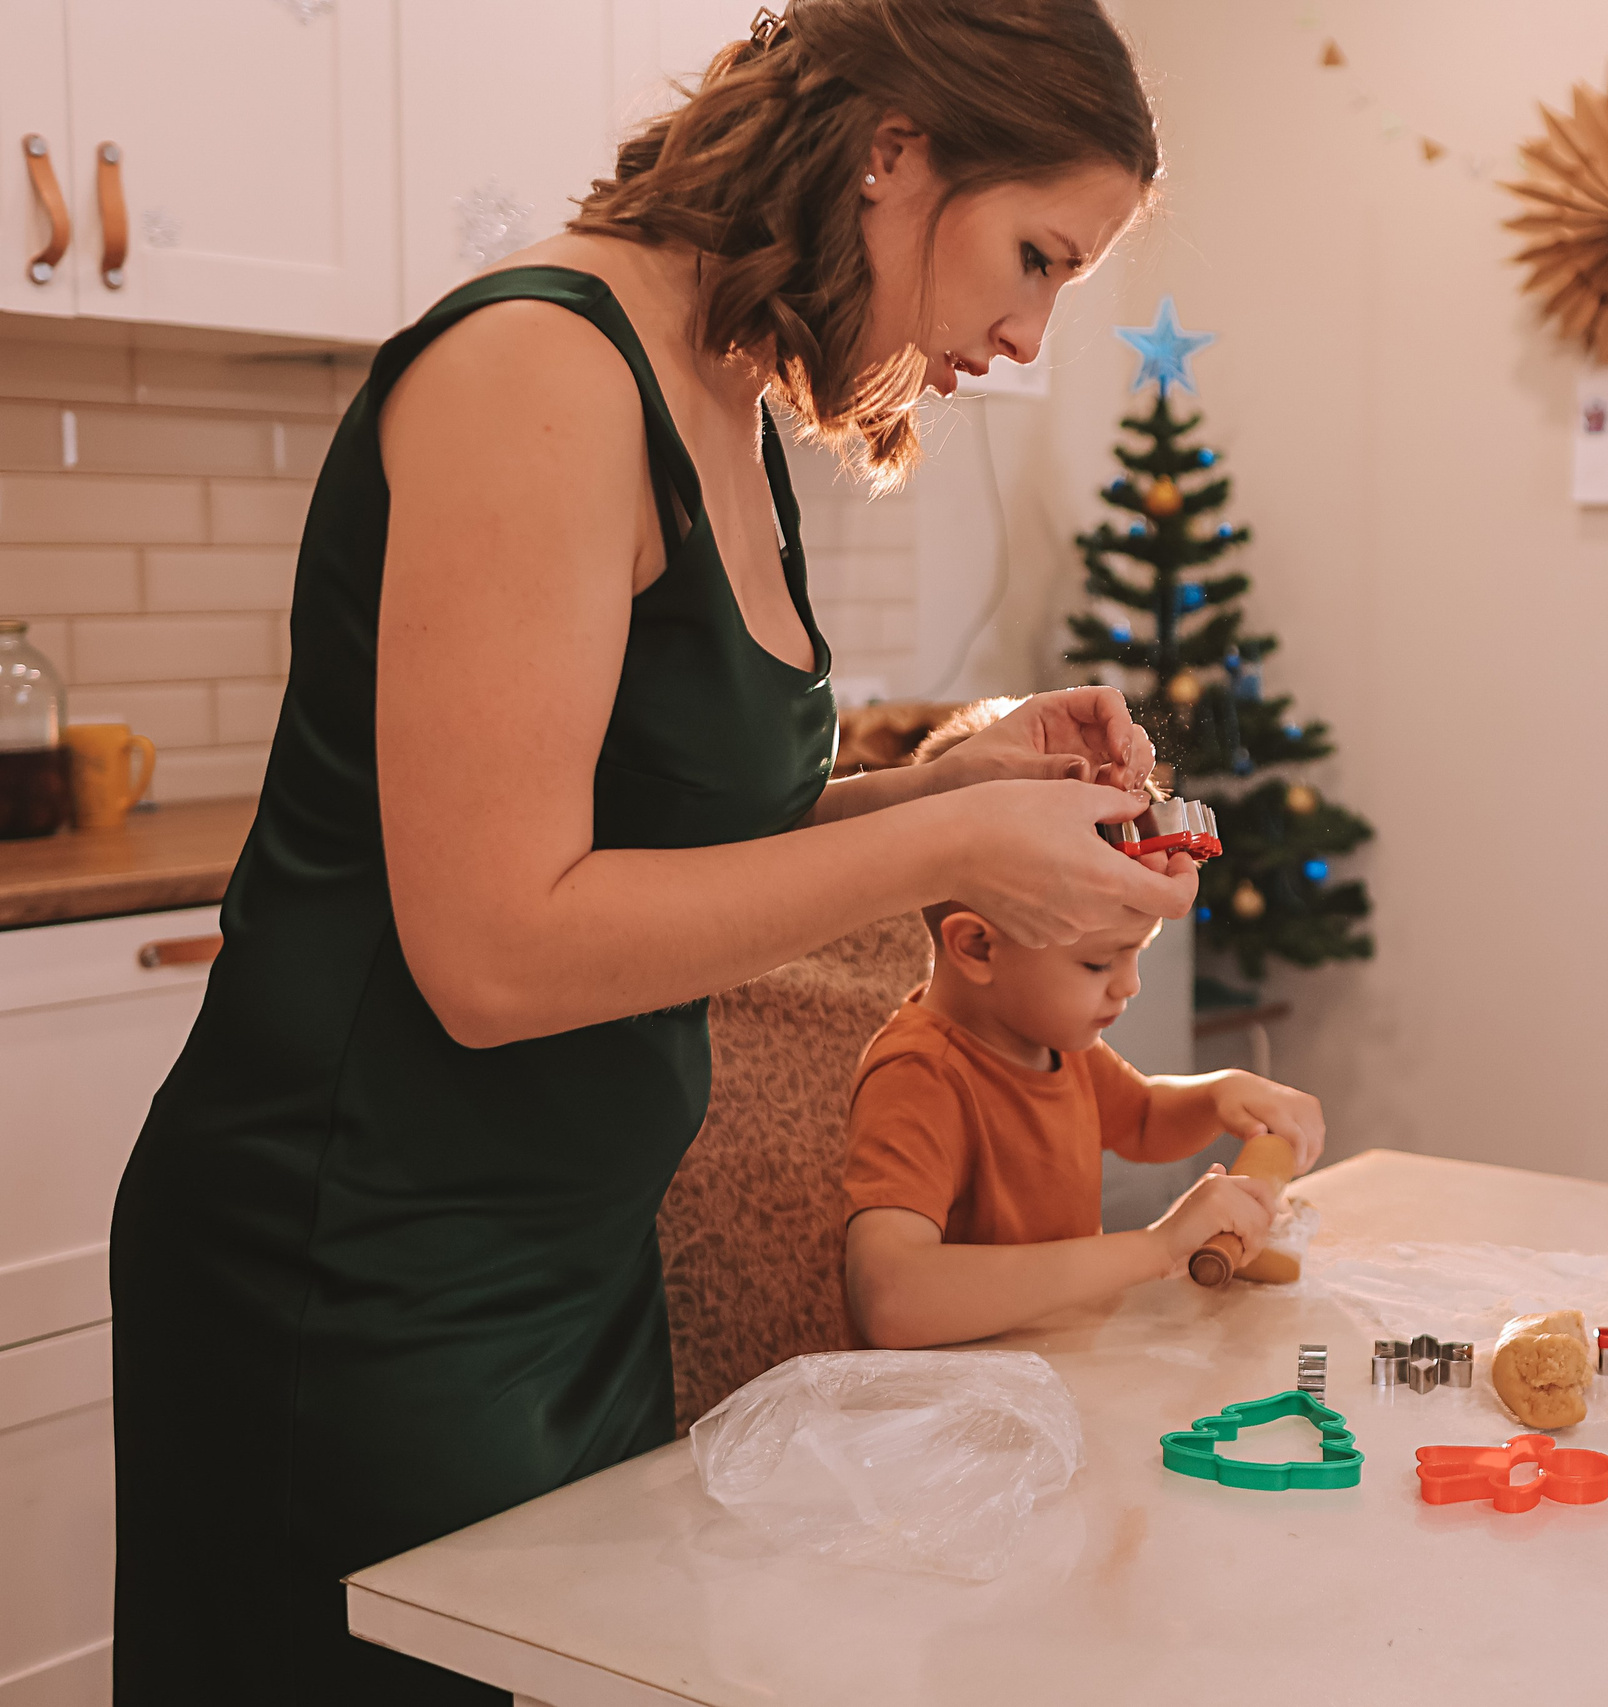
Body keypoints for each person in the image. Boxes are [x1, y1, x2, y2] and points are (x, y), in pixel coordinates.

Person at [107, 5, 1185, 1701]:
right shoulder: (540, 368)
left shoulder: (723, 396)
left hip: (569, 1255)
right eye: (1035, 256)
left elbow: (678, 852)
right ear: (895, 150)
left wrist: (950, 788)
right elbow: (501, 949)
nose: (1029, 330)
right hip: (359, 1272)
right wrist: (953, 846)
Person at [842, 702, 1325, 1349]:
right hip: (947, 1419)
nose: (1129, 984)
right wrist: (1156, 1246)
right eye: (1099, 960)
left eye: (1137, 952)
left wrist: (1219, 1093)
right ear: (978, 948)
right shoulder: (920, 1074)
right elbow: (892, 1298)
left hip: (1055, 1375)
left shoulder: (1053, 1045)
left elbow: (1145, 1116)